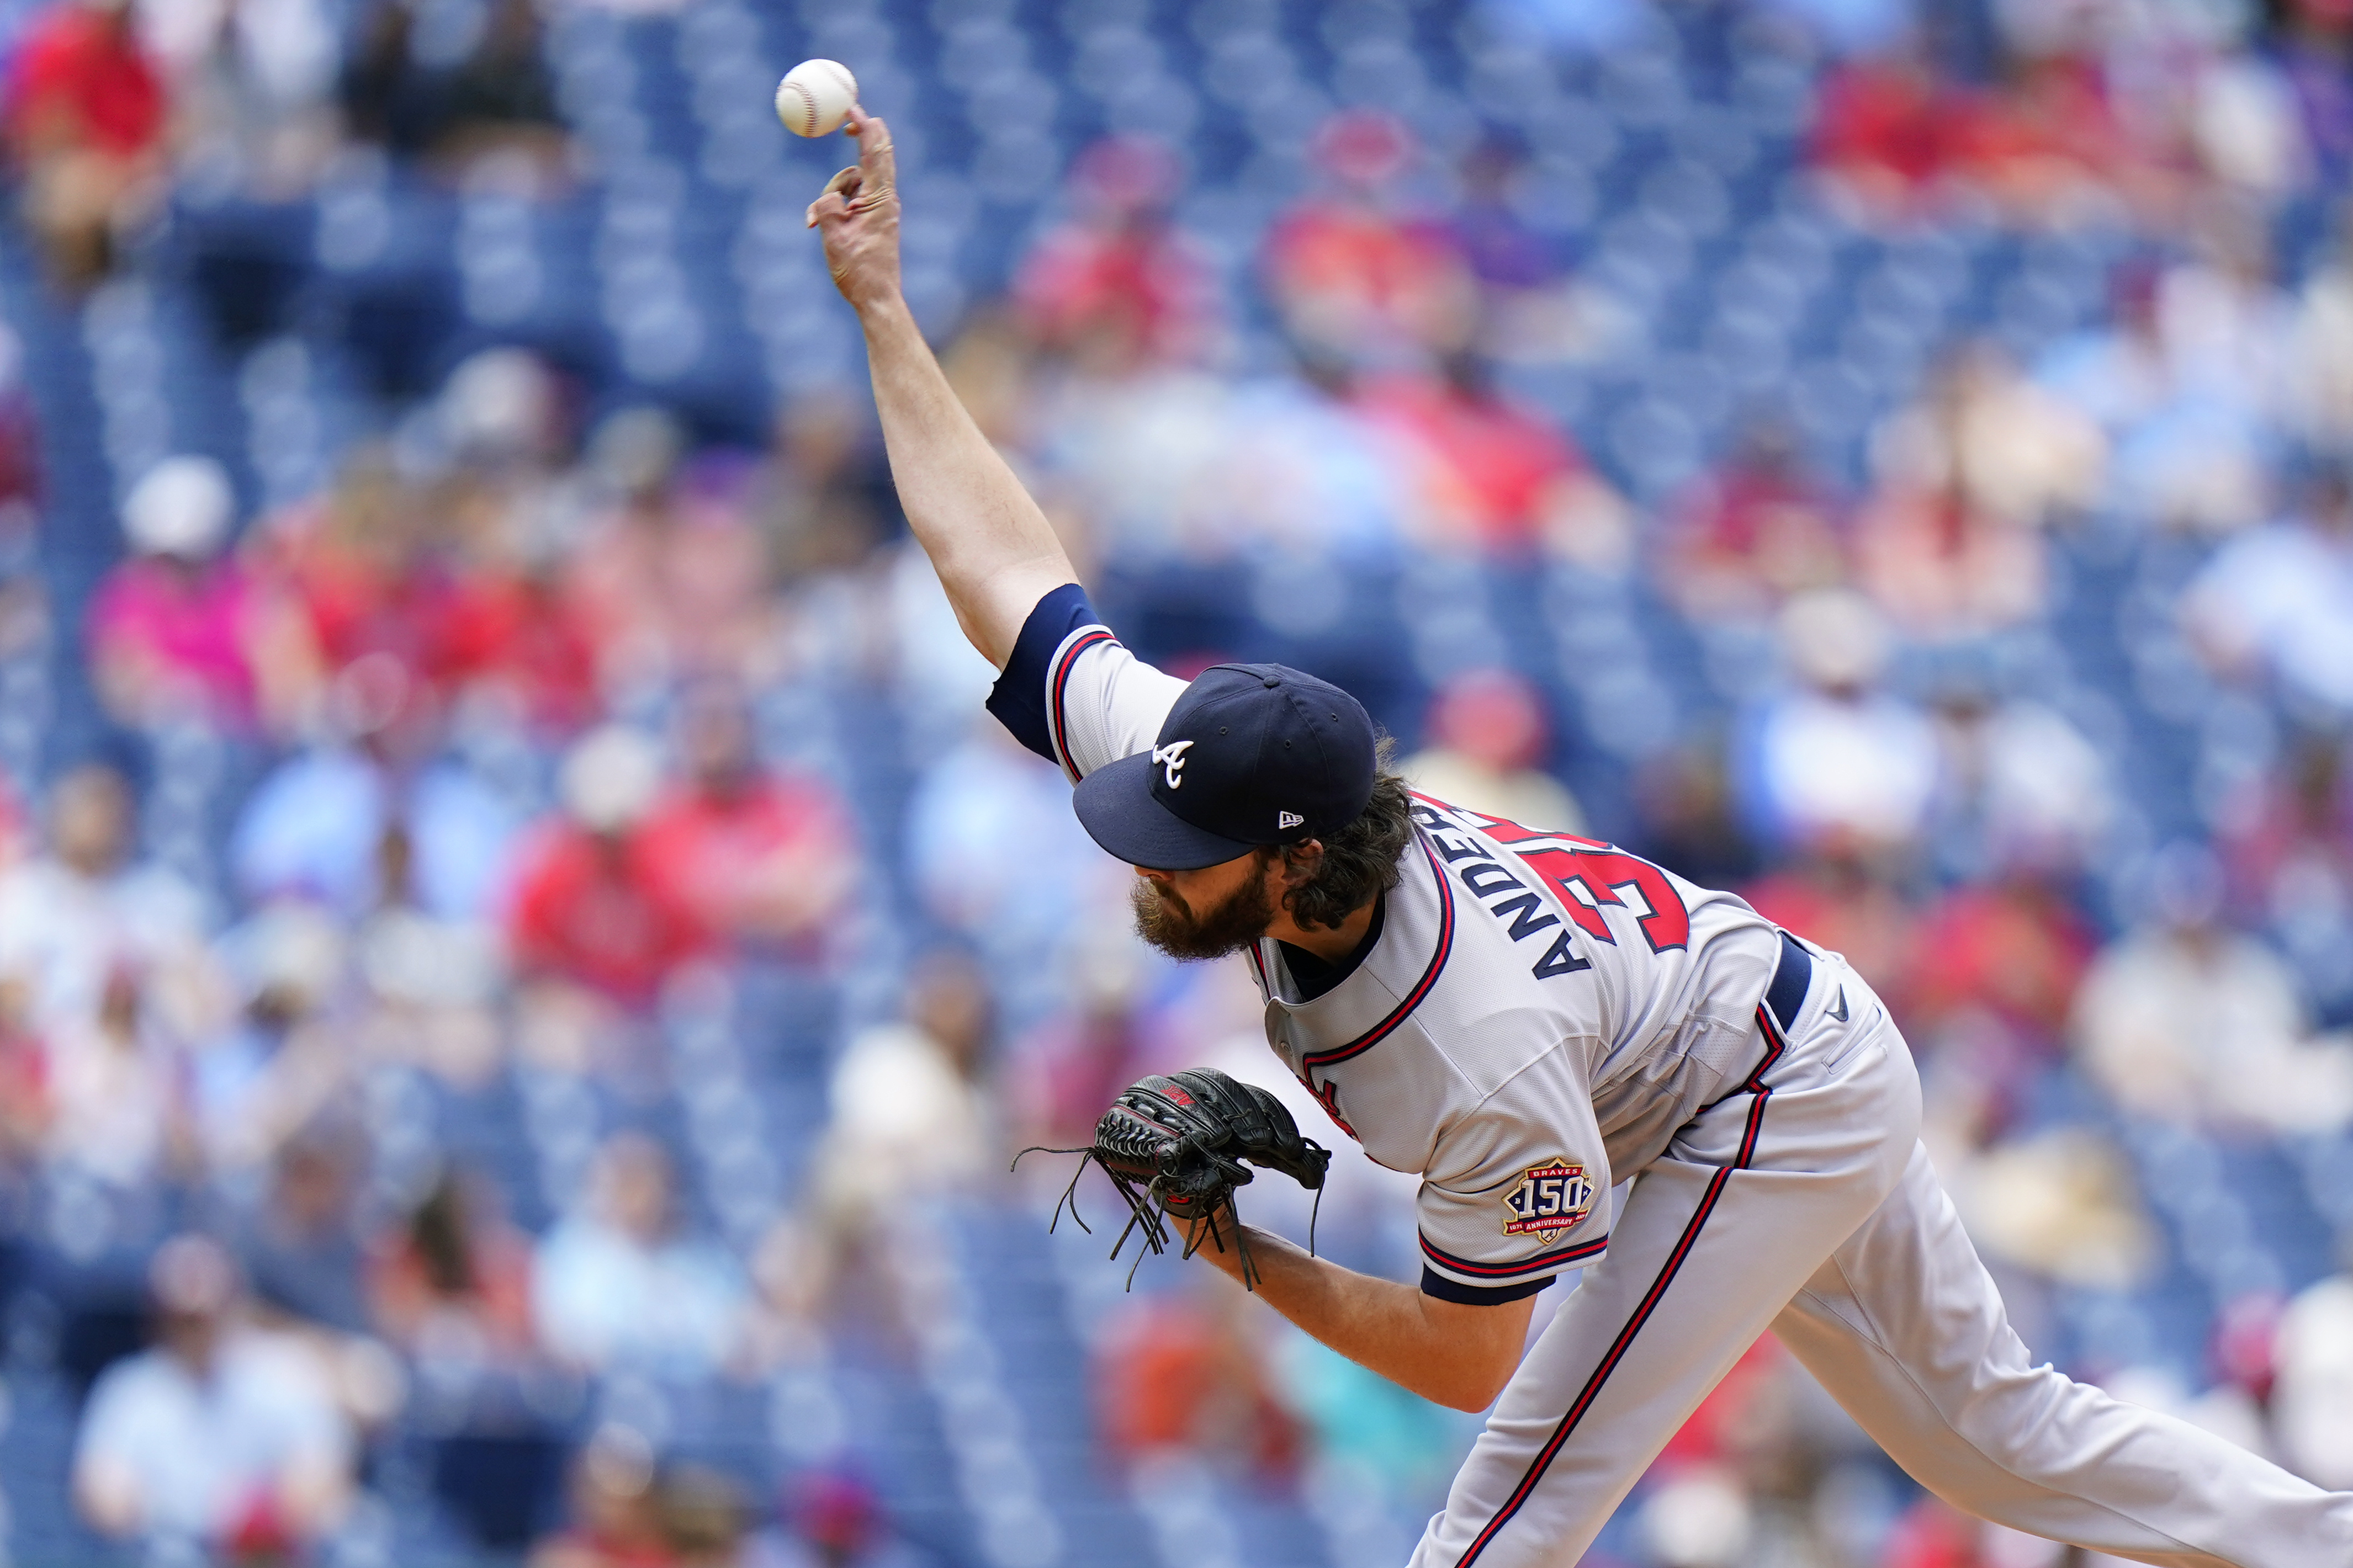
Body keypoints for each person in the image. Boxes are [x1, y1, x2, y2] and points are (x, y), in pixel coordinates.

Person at [807, 113, 2353, 1566]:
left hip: (1754, 1101)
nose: (1140, 851)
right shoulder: (1244, 787)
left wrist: (1235, 1250)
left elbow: (1478, 1358)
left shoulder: (1461, 1039)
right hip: (1763, 1027)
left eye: (1179, 841)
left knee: (1491, 1540)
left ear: (1289, 863)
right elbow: (1002, 563)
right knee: (2001, 1449)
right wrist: (884, 308)